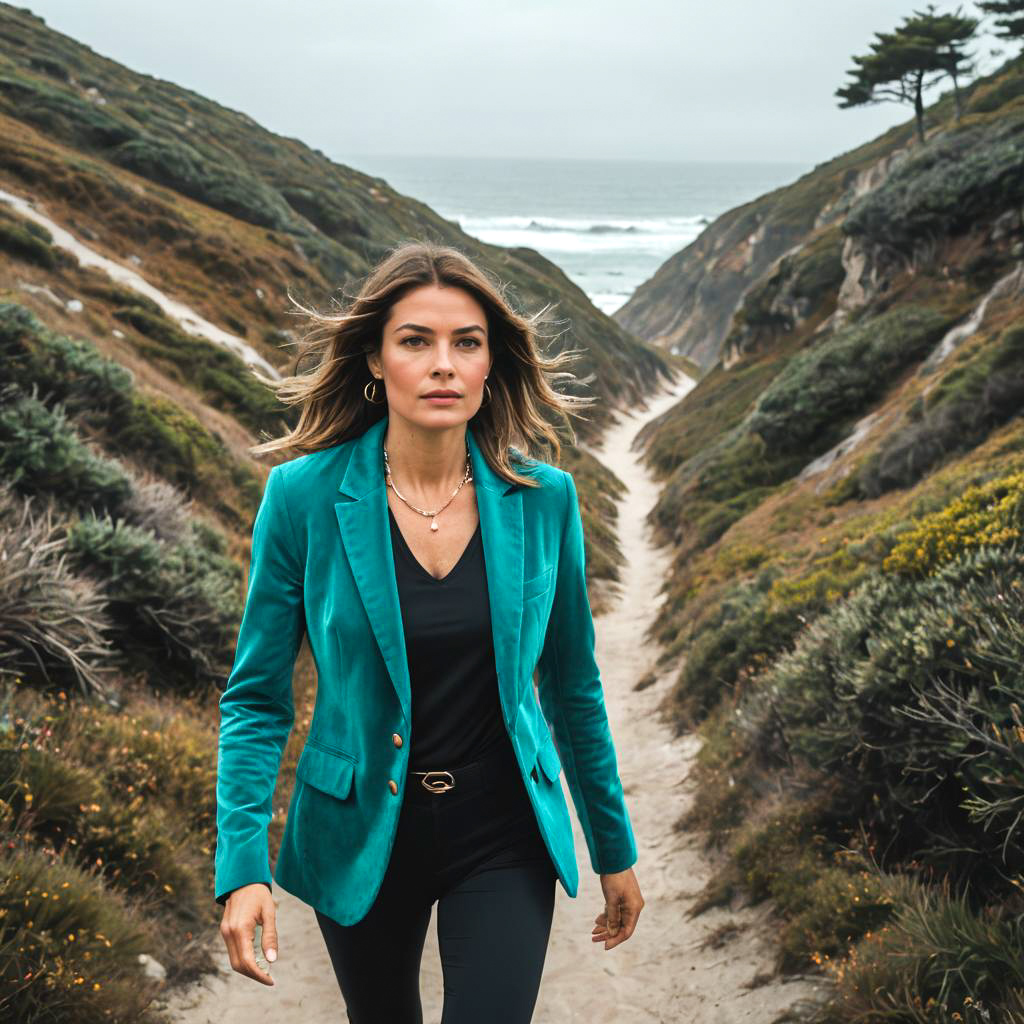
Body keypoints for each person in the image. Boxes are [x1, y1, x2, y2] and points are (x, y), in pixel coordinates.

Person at [214, 241, 644, 1022]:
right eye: (416, 341)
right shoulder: (302, 497)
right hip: (360, 827)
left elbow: (573, 687)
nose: (443, 364)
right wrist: (242, 867)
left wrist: (614, 851)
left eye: (466, 343)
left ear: (490, 365)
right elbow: (256, 699)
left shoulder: (545, 499)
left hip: (504, 827)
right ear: (376, 361)